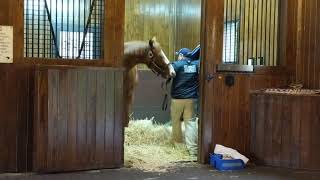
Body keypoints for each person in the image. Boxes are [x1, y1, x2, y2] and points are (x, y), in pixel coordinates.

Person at [170, 47, 200, 157]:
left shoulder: (177, 65)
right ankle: (192, 150)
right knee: (191, 123)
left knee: (176, 122)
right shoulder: (197, 64)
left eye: (179, 55)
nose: (178, 56)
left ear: (182, 56)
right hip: (192, 99)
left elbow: (168, 70)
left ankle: (178, 146)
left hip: (177, 99)